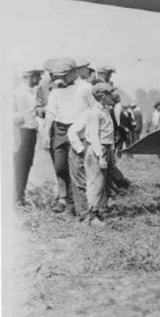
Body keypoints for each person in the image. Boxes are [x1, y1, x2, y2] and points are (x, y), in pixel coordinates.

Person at [43, 58, 95, 213]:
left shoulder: (86, 88)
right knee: (60, 166)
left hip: (78, 130)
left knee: (77, 167)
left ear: (73, 72)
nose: (61, 78)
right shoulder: (56, 89)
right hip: (59, 130)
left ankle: (78, 204)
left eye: (64, 75)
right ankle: (65, 197)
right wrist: (46, 133)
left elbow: (94, 109)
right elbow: (51, 111)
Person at [67, 83, 118, 227]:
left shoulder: (104, 112)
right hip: (98, 149)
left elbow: (108, 135)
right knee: (95, 184)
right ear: (102, 97)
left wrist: (110, 154)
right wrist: (100, 155)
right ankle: (90, 217)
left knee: (102, 184)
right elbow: (94, 136)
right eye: (109, 95)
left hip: (105, 148)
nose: (112, 97)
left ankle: (96, 214)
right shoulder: (94, 113)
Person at [13, 68, 45, 205]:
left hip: (31, 132)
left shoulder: (35, 92)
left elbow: (37, 112)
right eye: (37, 76)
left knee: (26, 164)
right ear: (31, 76)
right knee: (20, 164)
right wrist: (17, 118)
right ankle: (17, 197)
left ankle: (19, 196)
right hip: (20, 132)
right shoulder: (18, 92)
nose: (39, 79)